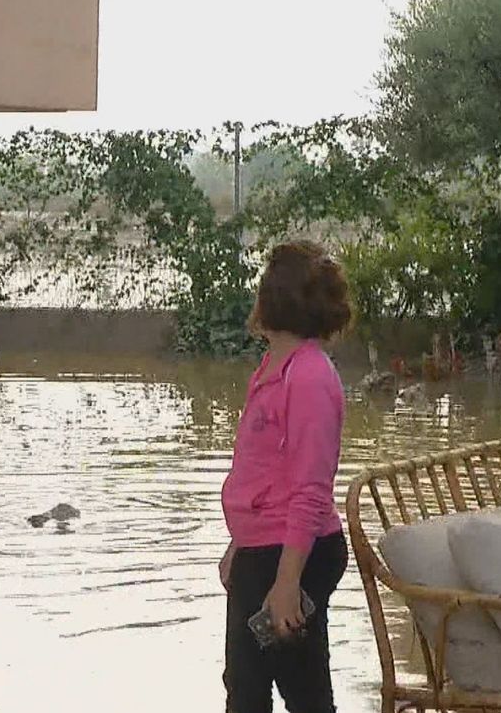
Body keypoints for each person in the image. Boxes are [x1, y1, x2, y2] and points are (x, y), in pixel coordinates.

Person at [219, 240, 351, 713]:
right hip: (262, 550)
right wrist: (239, 544)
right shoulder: (274, 367)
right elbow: (262, 470)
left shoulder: (309, 376)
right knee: (245, 686)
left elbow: (311, 488)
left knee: (302, 692)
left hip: (294, 554)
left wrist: (287, 581)